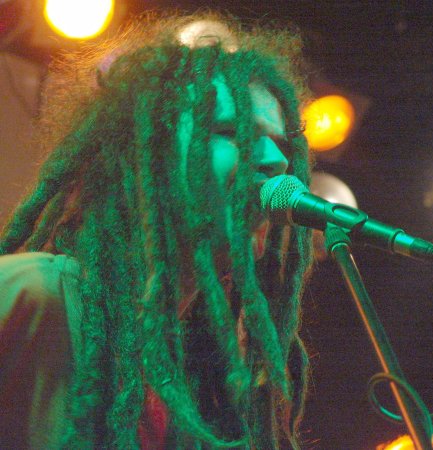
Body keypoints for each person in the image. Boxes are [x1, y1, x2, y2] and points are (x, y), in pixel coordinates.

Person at [0, 11, 313, 449]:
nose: (277, 160)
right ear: (147, 159)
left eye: (280, 142)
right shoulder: (32, 293)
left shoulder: (198, 387)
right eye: (229, 130)